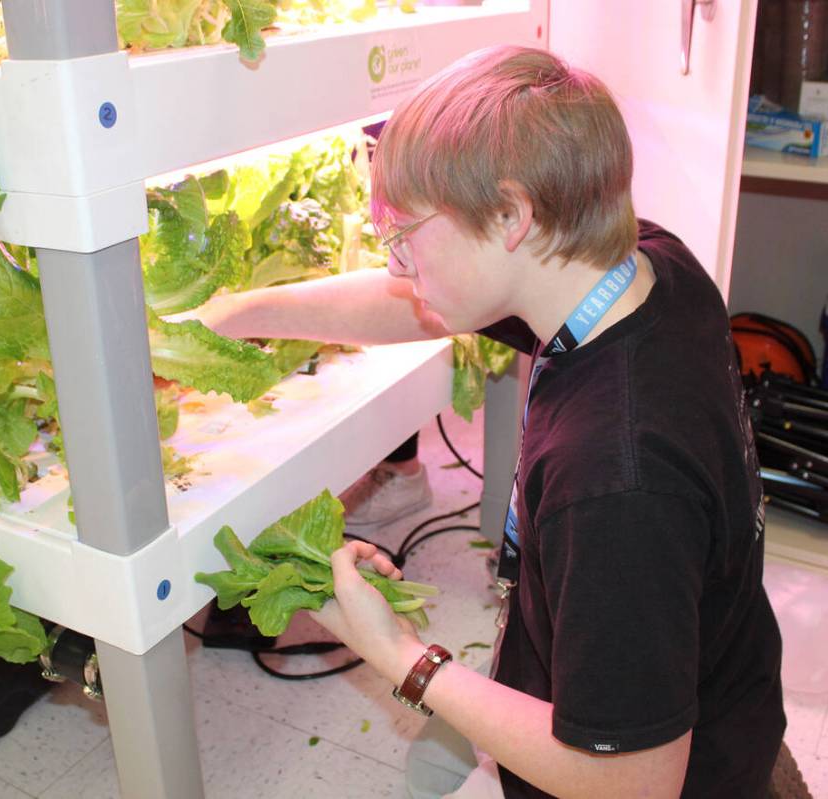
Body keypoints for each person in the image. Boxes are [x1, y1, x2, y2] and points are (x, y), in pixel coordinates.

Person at [193, 44, 785, 798]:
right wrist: (240, 314)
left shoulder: (614, 479)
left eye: (404, 235)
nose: (397, 263)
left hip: (672, 769)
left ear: (510, 214)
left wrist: (403, 656)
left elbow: (632, 782)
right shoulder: (638, 263)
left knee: (435, 757)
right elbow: (407, 302)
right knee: (435, 760)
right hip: (711, 687)